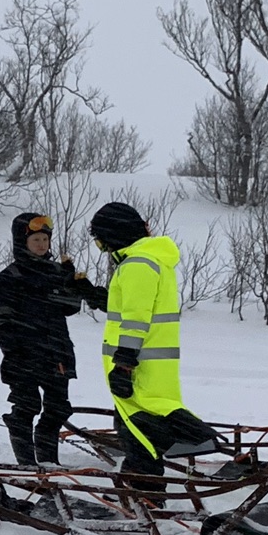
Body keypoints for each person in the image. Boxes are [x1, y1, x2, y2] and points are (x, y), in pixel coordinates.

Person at [88, 201, 217, 489]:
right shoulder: (149, 260)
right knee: (139, 422)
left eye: (101, 242)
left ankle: (146, 489)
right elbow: (131, 305)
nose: (104, 250)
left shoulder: (136, 265)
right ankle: (142, 484)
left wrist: (123, 363)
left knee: (137, 427)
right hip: (153, 364)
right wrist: (92, 294)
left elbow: (135, 319)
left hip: (139, 365)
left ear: (115, 235)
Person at [0, 211, 106, 465]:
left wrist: (70, 285)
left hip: (57, 353)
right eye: (36, 241)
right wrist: (13, 351)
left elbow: (69, 308)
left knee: (57, 409)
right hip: (24, 355)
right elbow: (0, 319)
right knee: (27, 407)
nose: (42, 245)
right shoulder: (11, 276)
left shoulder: (55, 270)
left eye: (45, 240)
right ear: (23, 242)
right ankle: (27, 465)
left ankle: (49, 463)